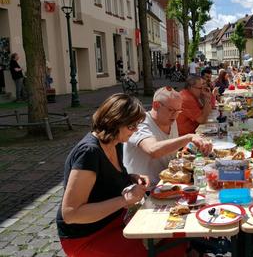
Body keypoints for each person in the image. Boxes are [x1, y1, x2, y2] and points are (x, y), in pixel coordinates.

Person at [56, 93, 187, 256]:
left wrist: (131, 177)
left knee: (178, 236)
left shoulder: (114, 141)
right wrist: (124, 200)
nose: (136, 130)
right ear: (114, 122)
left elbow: (105, 178)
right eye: (132, 126)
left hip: (117, 221)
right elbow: (71, 213)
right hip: (88, 235)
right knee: (164, 250)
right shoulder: (89, 153)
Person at [123, 87, 212, 184]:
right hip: (146, 190)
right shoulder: (141, 123)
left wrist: (196, 145)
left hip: (168, 182)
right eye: (171, 110)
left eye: (178, 111)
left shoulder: (170, 120)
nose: (175, 115)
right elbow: (153, 150)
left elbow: (171, 151)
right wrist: (189, 137)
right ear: (156, 105)